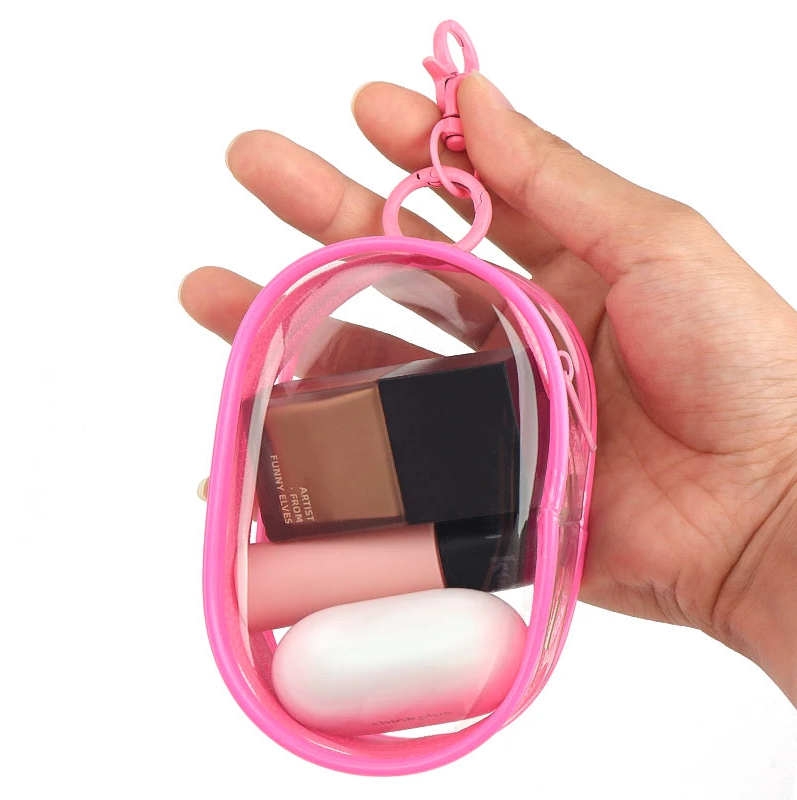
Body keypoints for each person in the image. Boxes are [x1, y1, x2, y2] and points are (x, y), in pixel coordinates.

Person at [179, 72, 797, 706]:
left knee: (295, 484)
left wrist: (775, 502)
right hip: (470, 488)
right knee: (293, 482)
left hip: (475, 497)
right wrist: (770, 507)